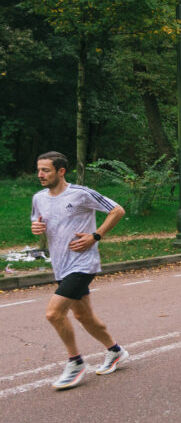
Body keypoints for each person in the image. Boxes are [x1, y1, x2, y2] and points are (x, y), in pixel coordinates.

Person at [32, 151, 128, 390]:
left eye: (46, 170)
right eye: (39, 170)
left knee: (54, 314)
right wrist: (36, 227)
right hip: (60, 265)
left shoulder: (81, 194)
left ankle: (75, 362)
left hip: (83, 263)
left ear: (61, 171)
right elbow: (38, 222)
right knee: (83, 315)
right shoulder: (39, 197)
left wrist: (95, 236)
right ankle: (115, 351)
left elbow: (117, 210)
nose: (40, 175)